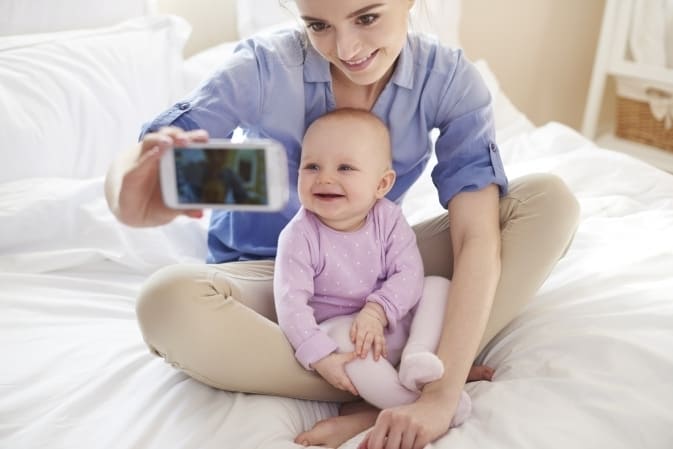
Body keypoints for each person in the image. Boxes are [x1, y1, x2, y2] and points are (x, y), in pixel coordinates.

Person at [104, 1, 580, 448]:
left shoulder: (449, 80)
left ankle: (420, 382)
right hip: (265, 285)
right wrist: (130, 193)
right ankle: (389, 388)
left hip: (371, 276)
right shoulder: (265, 68)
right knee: (167, 303)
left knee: (547, 203)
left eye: (367, 18)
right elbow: (150, 160)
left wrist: (440, 398)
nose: (346, 50)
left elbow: (475, 236)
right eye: (318, 25)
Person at [274, 109, 491, 426]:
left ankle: (417, 359)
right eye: (312, 166)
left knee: (437, 286)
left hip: (392, 320)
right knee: (340, 334)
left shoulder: (387, 218)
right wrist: (321, 358)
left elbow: (408, 273)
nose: (325, 178)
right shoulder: (299, 235)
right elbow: (290, 302)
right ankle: (407, 402)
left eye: (345, 167)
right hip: (348, 340)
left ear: (382, 184)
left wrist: (377, 311)